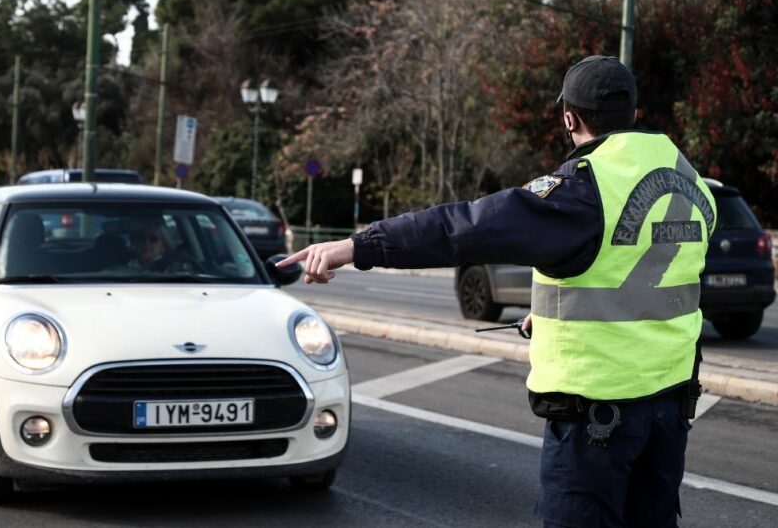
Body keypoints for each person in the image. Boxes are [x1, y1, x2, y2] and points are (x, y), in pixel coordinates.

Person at [278, 55, 716, 527]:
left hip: (599, 423)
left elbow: (463, 228)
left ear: (569, 117)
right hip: (668, 413)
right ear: (633, 113)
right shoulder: (691, 181)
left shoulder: (583, 191)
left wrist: (358, 246)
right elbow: (649, 278)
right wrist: (550, 314)